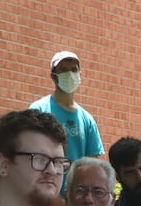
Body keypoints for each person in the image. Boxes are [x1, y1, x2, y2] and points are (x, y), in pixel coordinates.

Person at [29, 50, 103, 192]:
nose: (69, 74)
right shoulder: (38, 110)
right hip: (44, 195)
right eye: (63, 70)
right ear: (53, 76)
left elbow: (93, 166)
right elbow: (29, 155)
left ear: (80, 75)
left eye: (73, 70)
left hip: (75, 199)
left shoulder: (87, 120)